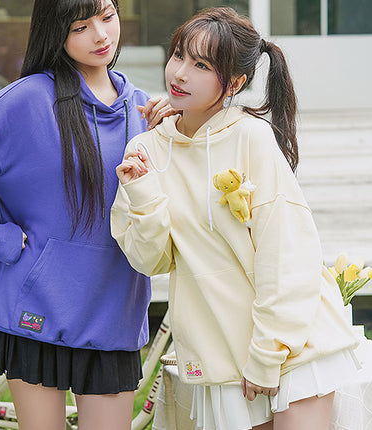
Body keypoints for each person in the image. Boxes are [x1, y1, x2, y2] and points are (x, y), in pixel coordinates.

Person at [111, 7, 360, 430]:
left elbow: (287, 253)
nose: (180, 73)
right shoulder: (146, 150)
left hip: (292, 343)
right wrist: (144, 193)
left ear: (235, 83)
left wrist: (267, 354)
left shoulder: (250, 137)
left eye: (201, 65)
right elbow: (151, 261)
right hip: (222, 354)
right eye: (178, 55)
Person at [0, 0, 175, 429]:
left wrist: (179, 132)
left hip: (114, 314)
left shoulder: (147, 113)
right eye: (80, 26)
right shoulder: (28, 100)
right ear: (56, 33)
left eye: (107, 16)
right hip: (37, 306)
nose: (100, 35)